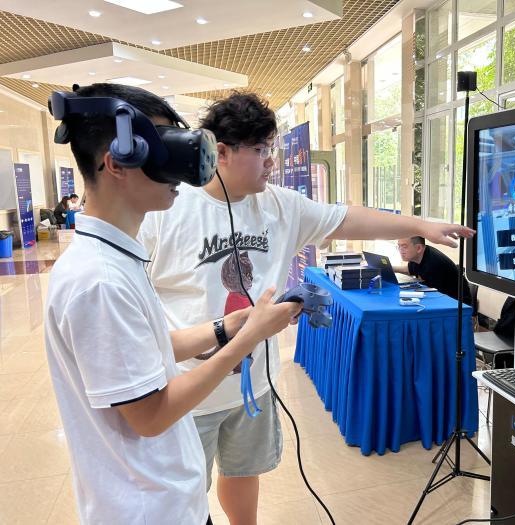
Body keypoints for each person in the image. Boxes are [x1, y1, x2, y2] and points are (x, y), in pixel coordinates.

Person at [139, 90, 475, 525]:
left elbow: (348, 217)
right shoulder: (166, 208)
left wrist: (420, 225)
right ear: (220, 152)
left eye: (272, 149)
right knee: (183, 497)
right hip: (188, 390)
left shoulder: (281, 205)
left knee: (243, 472)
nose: (271, 161)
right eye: (260, 150)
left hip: (254, 385)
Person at [44, 83, 301, 525]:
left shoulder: (117, 257)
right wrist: (250, 339)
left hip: (167, 498)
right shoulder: (99, 281)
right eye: (163, 150)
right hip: (148, 509)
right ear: (116, 164)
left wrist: (227, 327)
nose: (182, 173)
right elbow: (151, 415)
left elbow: (151, 348)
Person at [395, 236, 472, 305]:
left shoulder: (433, 263)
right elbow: (409, 269)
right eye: (399, 246)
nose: (400, 250)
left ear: (419, 248)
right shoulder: (419, 255)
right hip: (444, 299)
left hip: (458, 305)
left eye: (404, 247)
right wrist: (392, 268)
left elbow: (432, 295)